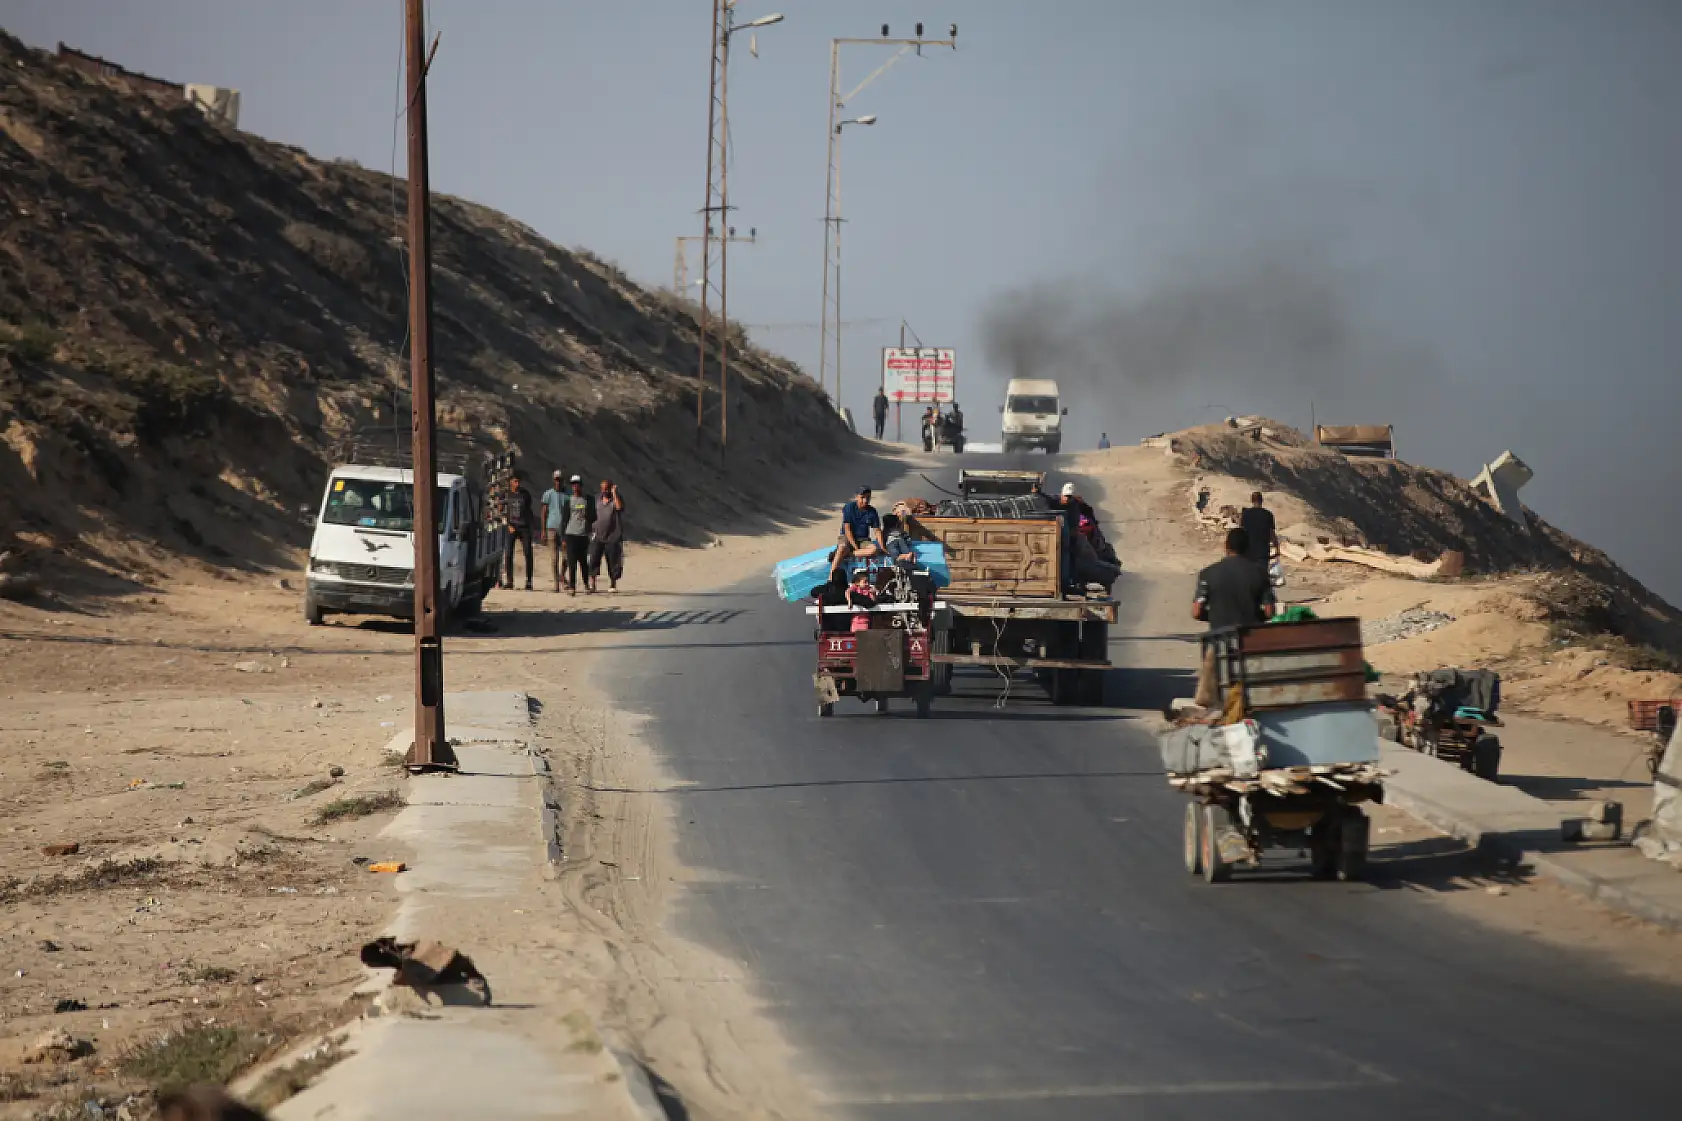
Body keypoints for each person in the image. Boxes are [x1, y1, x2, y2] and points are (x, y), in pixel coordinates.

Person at [1192, 527, 1278, 706]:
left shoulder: (1208, 573)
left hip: (1219, 644)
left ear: (1226, 546)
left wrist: (1215, 614)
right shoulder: (1260, 574)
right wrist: (1255, 615)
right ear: (1247, 548)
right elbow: (1270, 612)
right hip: (1251, 642)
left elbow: (1196, 612)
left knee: (1216, 696)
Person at [830, 485, 885, 577]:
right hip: (847, 537)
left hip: (863, 539)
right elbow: (847, 529)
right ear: (857, 497)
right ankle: (831, 576)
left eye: (868, 498)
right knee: (842, 547)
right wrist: (856, 547)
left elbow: (877, 531)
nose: (865, 500)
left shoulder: (872, 511)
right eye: (862, 497)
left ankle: (848, 554)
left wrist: (883, 547)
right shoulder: (849, 507)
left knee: (874, 549)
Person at [587, 478, 626, 593]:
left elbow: (619, 508)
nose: (604, 491)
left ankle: (613, 583)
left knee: (613, 561)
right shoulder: (596, 499)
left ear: (611, 488)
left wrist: (614, 493)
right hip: (597, 535)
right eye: (602, 489)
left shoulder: (616, 499)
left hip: (613, 536)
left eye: (606, 489)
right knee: (593, 559)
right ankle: (593, 584)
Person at [560, 474, 595, 595]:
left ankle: (586, 585)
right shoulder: (569, 500)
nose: (575, 487)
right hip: (571, 534)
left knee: (583, 562)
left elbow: (593, 517)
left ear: (581, 485)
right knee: (571, 562)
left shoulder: (588, 499)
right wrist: (563, 538)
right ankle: (572, 586)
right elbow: (564, 519)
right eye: (573, 485)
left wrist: (587, 515)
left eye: (577, 484)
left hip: (583, 535)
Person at [501, 473, 535, 591]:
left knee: (528, 553)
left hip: (524, 526)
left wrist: (531, 527)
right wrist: (508, 524)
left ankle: (529, 581)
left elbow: (529, 510)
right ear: (510, 482)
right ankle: (510, 581)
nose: (517, 484)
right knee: (509, 553)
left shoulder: (525, 494)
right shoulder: (506, 494)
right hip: (511, 526)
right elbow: (500, 510)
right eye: (515, 481)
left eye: (518, 481)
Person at [538, 470, 568, 592]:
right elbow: (544, 513)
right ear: (553, 480)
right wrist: (543, 530)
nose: (558, 482)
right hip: (551, 528)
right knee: (554, 558)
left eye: (560, 479)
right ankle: (556, 582)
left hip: (565, 529)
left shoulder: (568, 494)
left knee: (566, 557)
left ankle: (562, 575)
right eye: (556, 479)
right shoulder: (548, 494)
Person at [1238, 491, 1278, 573]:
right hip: (1262, 553)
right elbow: (1272, 534)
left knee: (1248, 577)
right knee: (1262, 577)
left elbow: (1241, 533)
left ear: (1252, 501)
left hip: (1248, 552)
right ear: (1262, 500)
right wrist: (1277, 548)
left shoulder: (1245, 514)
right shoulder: (1268, 514)